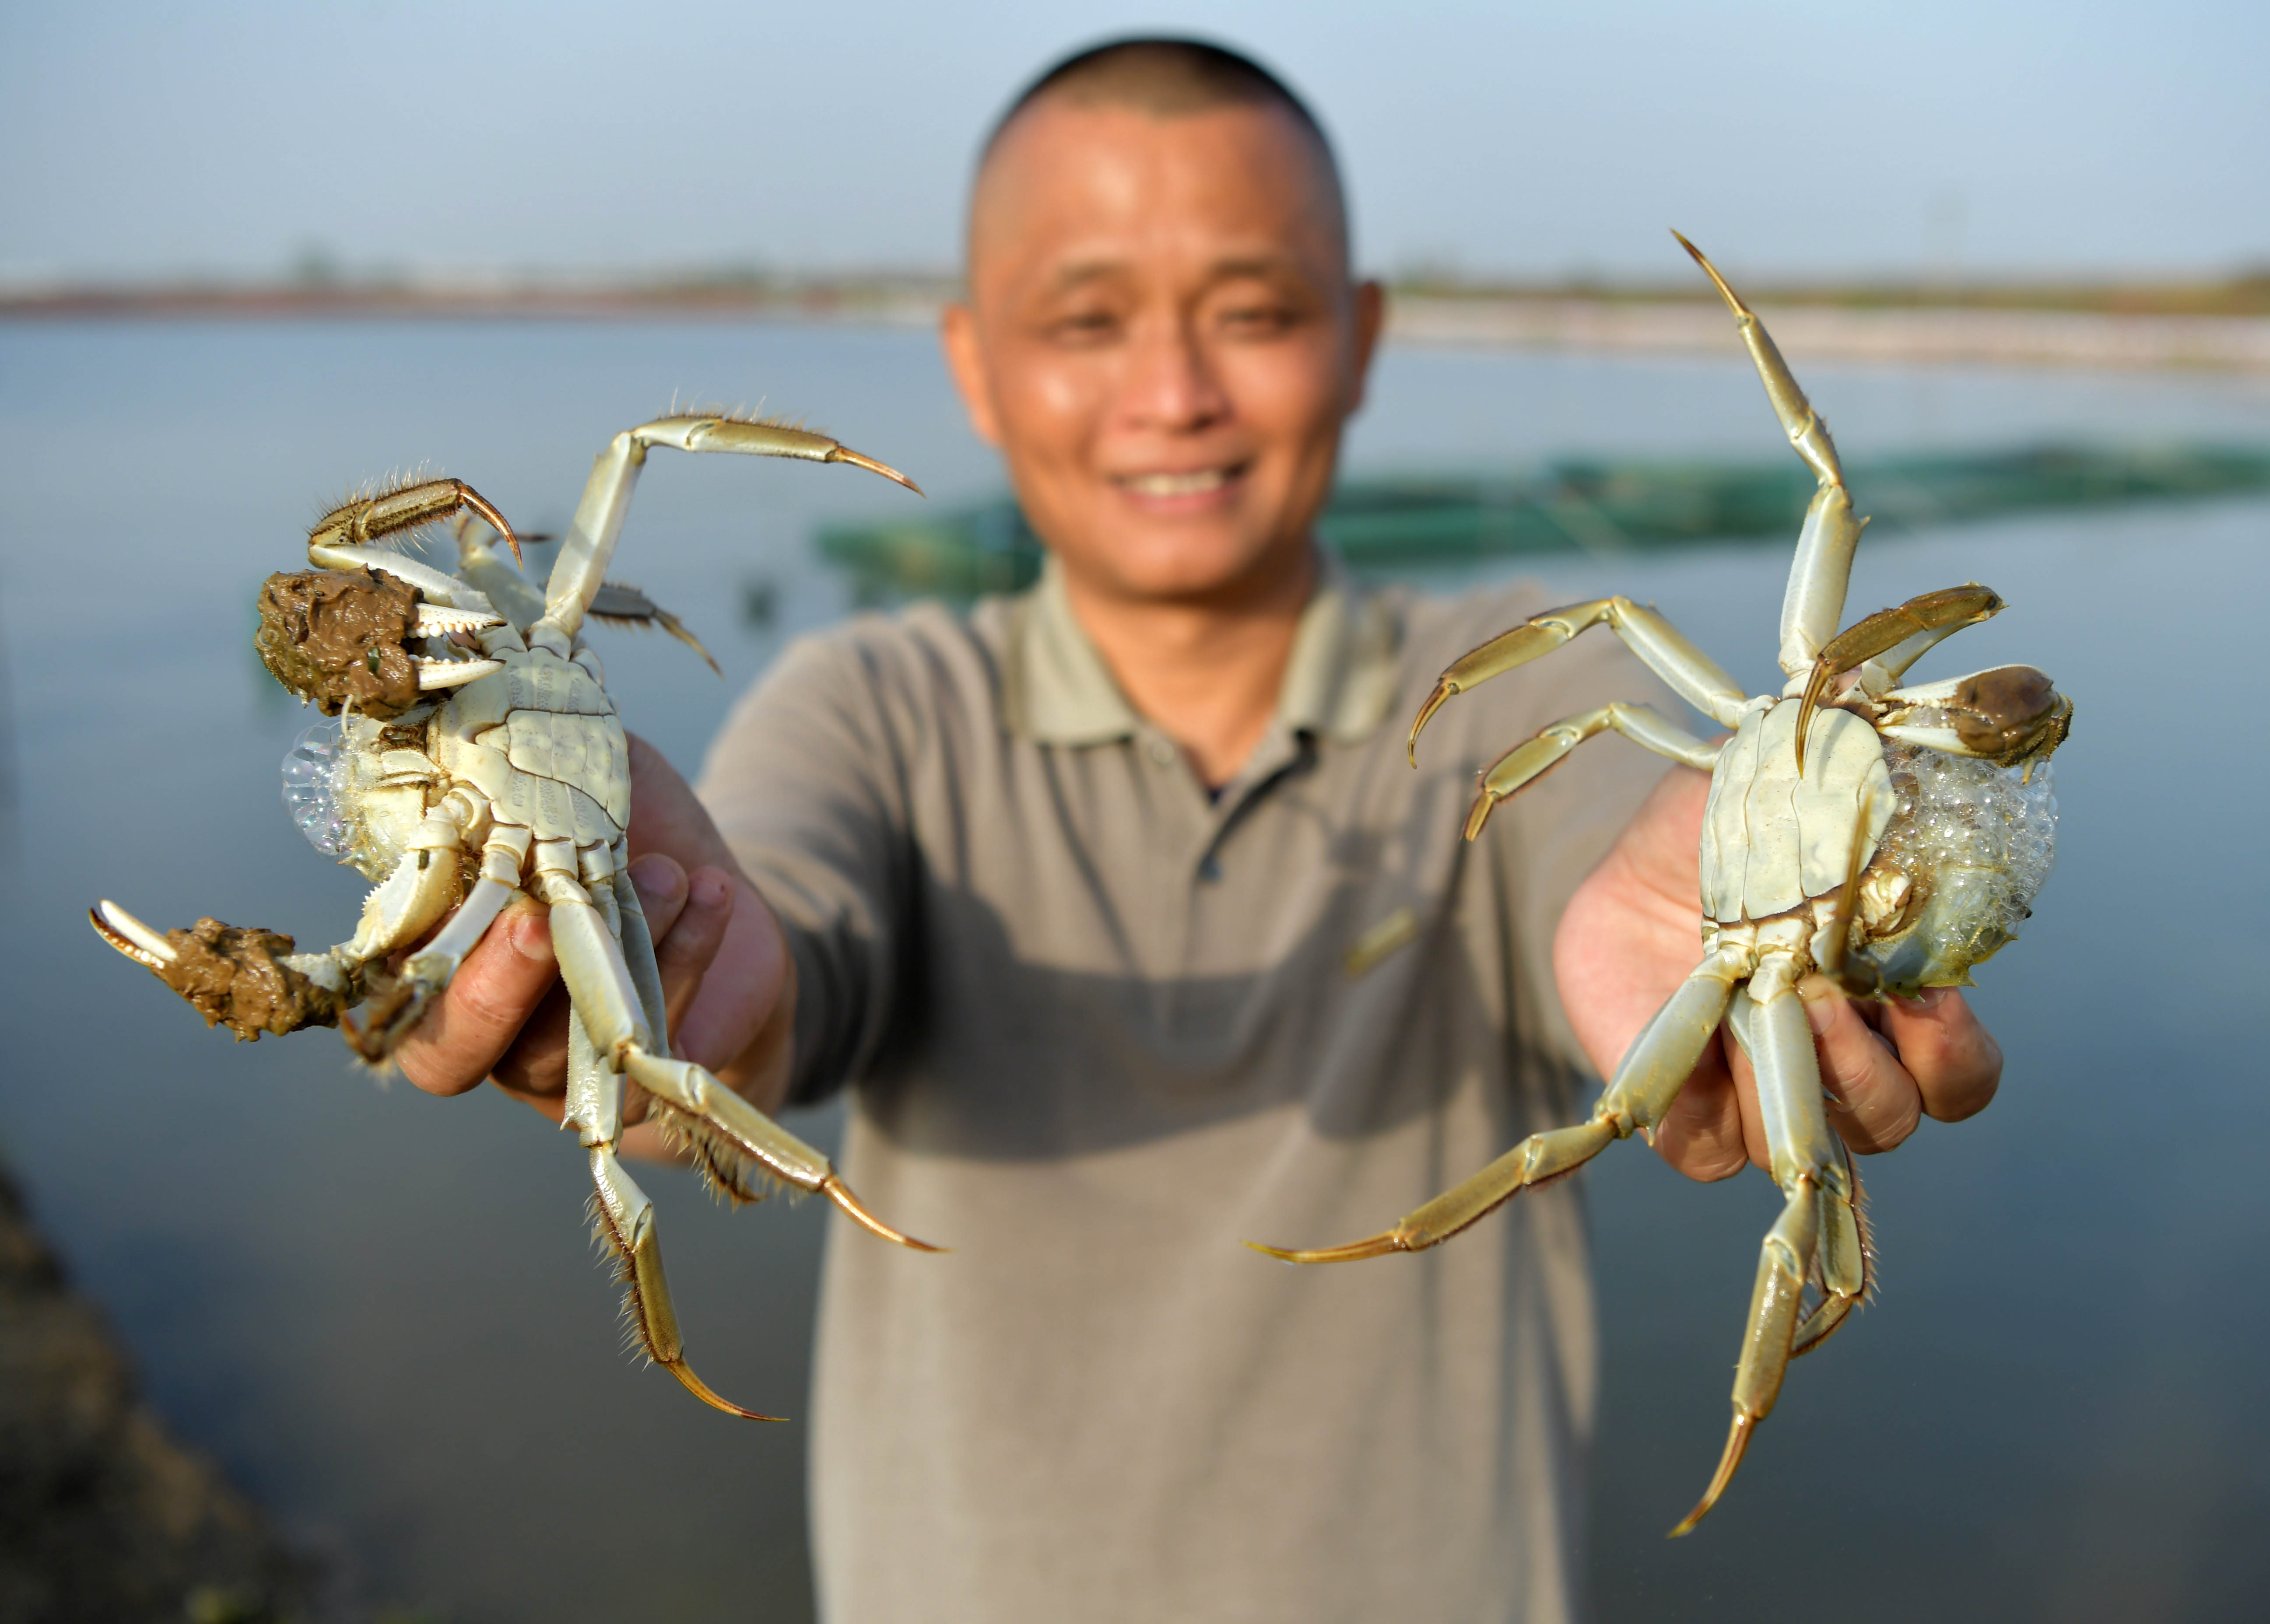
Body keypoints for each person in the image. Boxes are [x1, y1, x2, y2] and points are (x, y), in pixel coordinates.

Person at [395, 38, 2002, 1624]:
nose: (1174, 395)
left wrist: (1707, 877)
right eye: (1086, 319)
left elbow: (1613, 841)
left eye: (1256, 313)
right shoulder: (873, 707)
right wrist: (675, 989)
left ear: (1362, 337)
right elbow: (773, 943)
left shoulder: (1522, 685)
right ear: (973, 358)